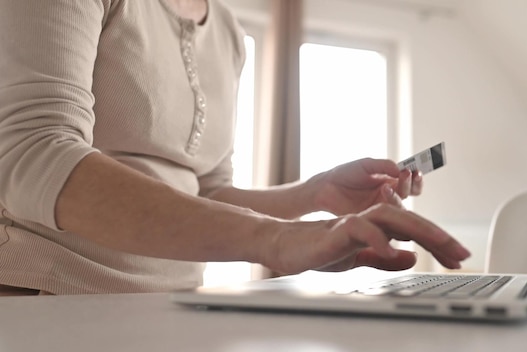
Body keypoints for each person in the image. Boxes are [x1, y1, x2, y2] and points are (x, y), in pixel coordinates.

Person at [0, 0, 470, 296]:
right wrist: (275, 239)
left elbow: (209, 190)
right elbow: (32, 153)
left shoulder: (225, 30)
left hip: (175, 303)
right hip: (47, 296)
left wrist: (312, 194)